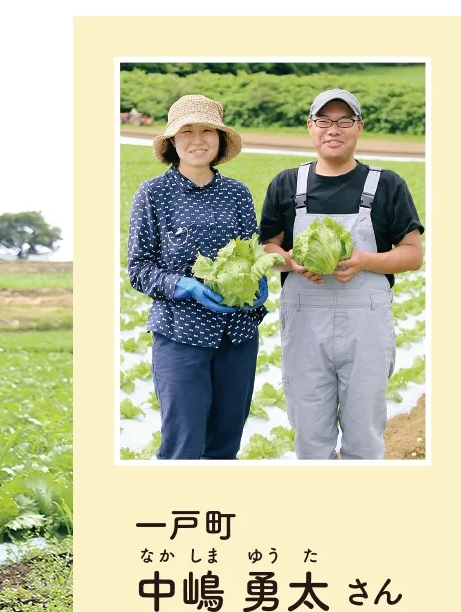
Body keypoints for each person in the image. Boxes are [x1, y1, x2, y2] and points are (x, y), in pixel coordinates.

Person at [260, 89, 424, 459]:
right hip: (305, 325)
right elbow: (267, 248)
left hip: (365, 323)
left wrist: (365, 260)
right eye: (324, 121)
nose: (333, 129)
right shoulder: (286, 185)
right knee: (309, 437)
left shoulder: (387, 185)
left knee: (364, 436)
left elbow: (413, 255)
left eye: (344, 121)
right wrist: (292, 262)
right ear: (310, 127)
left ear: (358, 127)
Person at [127, 94, 267, 460]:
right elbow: (138, 270)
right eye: (186, 131)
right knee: (183, 445)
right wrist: (182, 285)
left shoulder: (237, 194)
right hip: (179, 335)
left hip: (237, 333)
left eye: (207, 130)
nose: (197, 139)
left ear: (220, 141)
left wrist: (259, 284)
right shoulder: (153, 194)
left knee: (225, 443)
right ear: (172, 141)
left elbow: (251, 254)